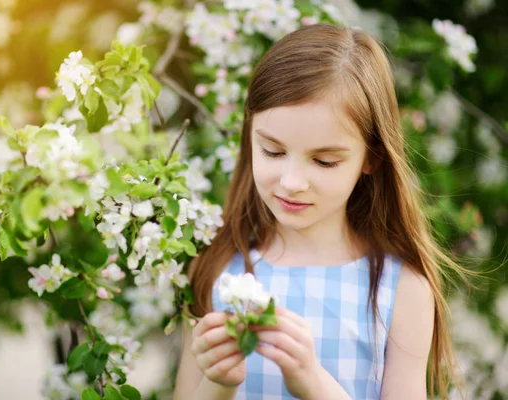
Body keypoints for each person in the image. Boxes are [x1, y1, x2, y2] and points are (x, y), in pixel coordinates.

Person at [174, 23, 466, 400]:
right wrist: (219, 383)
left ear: (371, 157)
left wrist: (314, 384)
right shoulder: (216, 268)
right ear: (250, 135)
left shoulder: (400, 290)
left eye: (324, 161)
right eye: (273, 151)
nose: (292, 181)